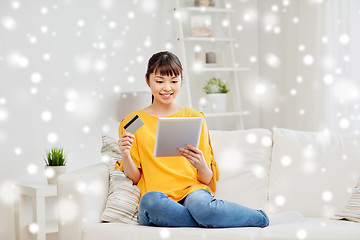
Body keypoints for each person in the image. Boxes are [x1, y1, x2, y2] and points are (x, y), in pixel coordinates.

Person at [117, 51, 269, 228]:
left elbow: (206, 178)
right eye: (159, 81)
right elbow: (134, 178)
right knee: (150, 202)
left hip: (192, 193)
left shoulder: (194, 118)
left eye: (174, 81)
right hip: (157, 199)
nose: (167, 88)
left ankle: (260, 218)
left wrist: (200, 164)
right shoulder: (132, 122)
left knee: (204, 208)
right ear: (147, 80)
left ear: (182, 80)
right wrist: (125, 153)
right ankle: (206, 220)